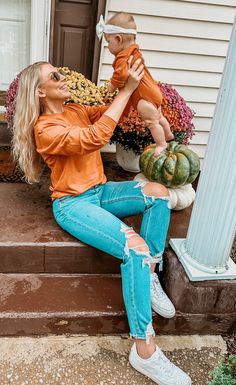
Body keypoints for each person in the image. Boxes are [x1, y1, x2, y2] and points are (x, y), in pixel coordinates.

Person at [11, 60, 191, 385]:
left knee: (159, 192)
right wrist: (128, 90)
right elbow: (95, 138)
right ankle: (144, 350)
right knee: (133, 247)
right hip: (73, 203)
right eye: (55, 76)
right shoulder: (45, 129)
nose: (62, 78)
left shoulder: (76, 109)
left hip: (102, 191)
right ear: (40, 91)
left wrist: (131, 89)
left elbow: (112, 115)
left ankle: (148, 274)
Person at [96, 12, 174, 157]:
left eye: (109, 42)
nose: (108, 46)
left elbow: (121, 74)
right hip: (152, 90)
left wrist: (112, 86)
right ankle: (168, 133)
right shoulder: (135, 52)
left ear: (118, 39)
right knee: (158, 115)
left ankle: (161, 143)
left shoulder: (122, 57)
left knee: (152, 122)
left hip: (144, 97)